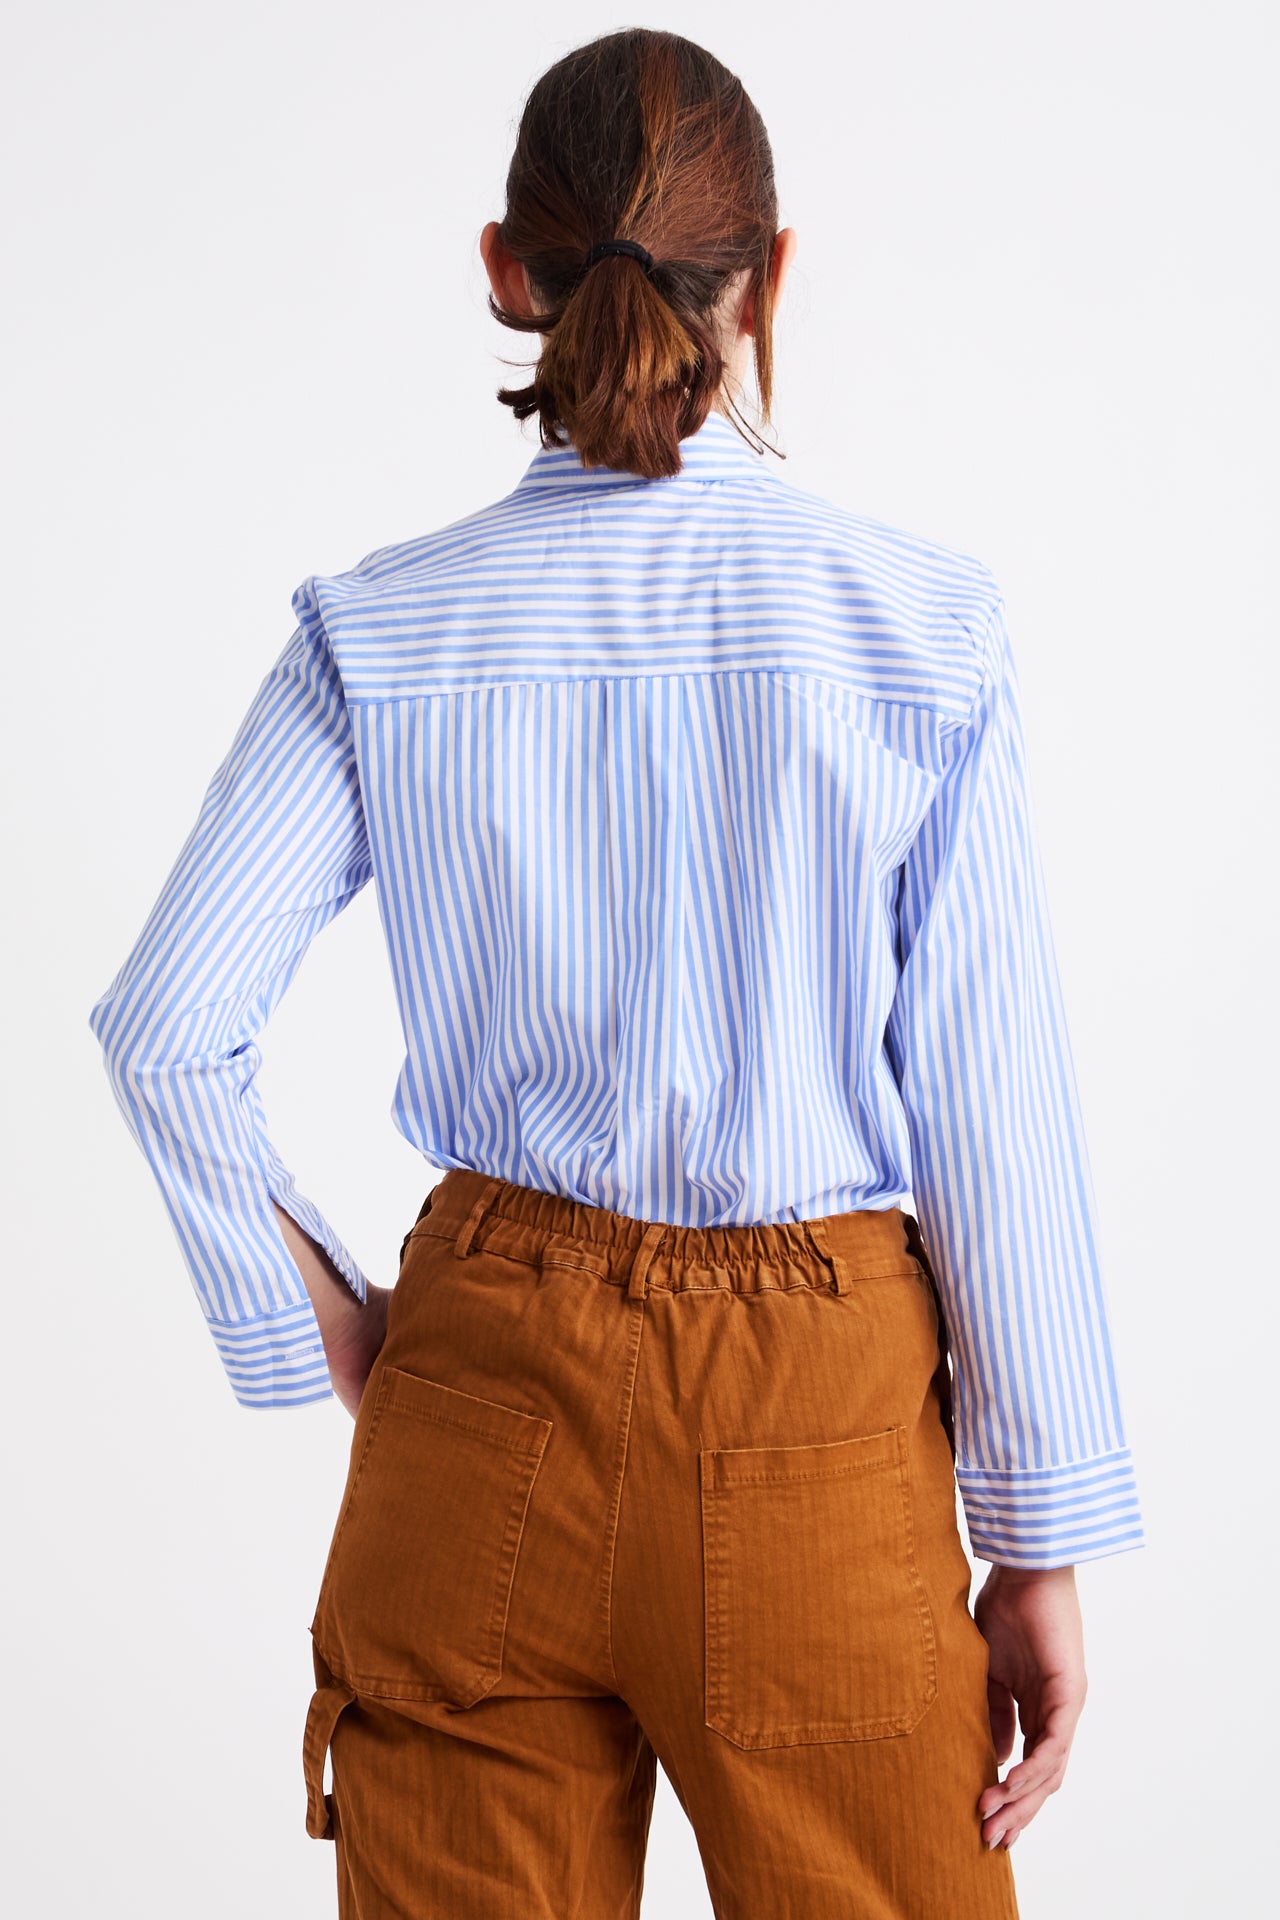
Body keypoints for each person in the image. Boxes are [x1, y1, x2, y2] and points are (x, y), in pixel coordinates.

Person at [87, 26, 1145, 1919]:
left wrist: (350, 1343)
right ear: (772, 276)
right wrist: (1041, 1534)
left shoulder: (379, 630)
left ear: (509, 270)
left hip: (479, 1400)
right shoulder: (920, 627)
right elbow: (995, 1110)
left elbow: (167, 1033)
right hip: (817, 1426)